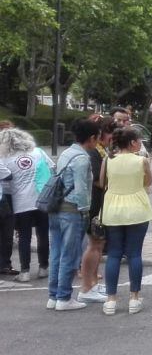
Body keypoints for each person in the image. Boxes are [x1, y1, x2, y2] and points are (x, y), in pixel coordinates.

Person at [100, 127, 152, 315]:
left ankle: (110, 300)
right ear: (132, 143)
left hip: (113, 207)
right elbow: (148, 182)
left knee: (114, 254)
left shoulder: (108, 159)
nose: (140, 143)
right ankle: (134, 298)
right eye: (139, 140)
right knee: (134, 254)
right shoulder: (142, 160)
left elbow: (101, 182)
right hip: (137, 207)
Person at [46, 119, 96, 311]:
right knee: (70, 254)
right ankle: (64, 297)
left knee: (57, 252)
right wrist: (86, 211)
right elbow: (81, 188)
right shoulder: (82, 158)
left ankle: (54, 295)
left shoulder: (66, 153)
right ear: (92, 138)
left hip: (55, 207)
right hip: (72, 210)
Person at [0, 128, 52, 282]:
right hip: (41, 198)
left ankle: (25, 271)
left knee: (24, 236)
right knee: (43, 234)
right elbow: (51, 168)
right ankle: (43, 267)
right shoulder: (38, 152)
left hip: (21, 202)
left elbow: (6, 183)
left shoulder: (5, 159)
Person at [75, 118, 113, 304]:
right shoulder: (93, 154)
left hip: (99, 204)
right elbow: (99, 181)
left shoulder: (100, 151)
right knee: (94, 244)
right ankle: (86, 287)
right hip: (94, 205)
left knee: (98, 244)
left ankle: (92, 284)